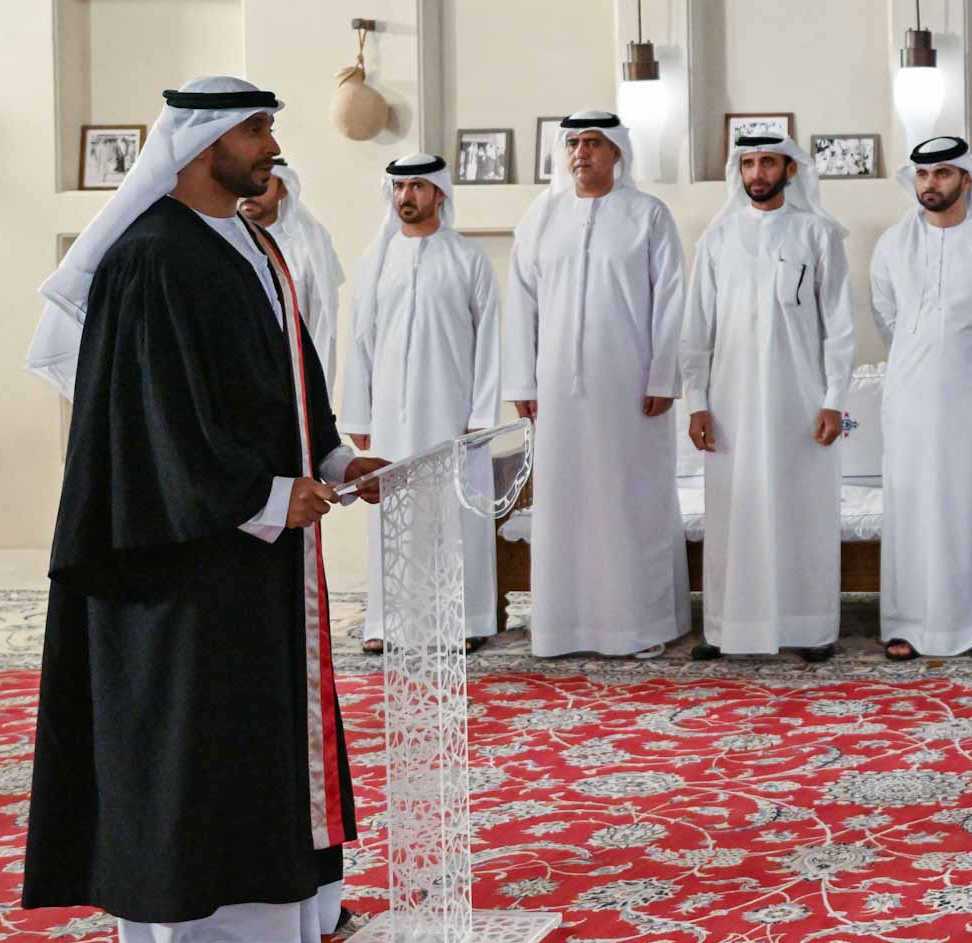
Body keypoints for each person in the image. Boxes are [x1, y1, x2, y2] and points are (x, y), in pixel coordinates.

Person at [21, 77, 387, 943]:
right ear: (202, 145)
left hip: (252, 545)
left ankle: (287, 907)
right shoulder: (151, 258)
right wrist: (263, 493)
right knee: (187, 736)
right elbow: (149, 425)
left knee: (258, 726)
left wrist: (339, 460)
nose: (271, 145)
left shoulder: (250, 243)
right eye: (257, 129)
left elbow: (284, 377)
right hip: (176, 554)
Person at [506, 112, 689, 659]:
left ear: (617, 153)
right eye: (574, 143)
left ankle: (638, 626)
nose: (581, 152)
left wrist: (663, 376)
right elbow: (521, 303)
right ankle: (564, 628)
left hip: (631, 389)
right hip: (558, 390)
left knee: (630, 500)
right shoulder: (541, 217)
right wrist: (523, 376)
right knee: (564, 502)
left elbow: (672, 300)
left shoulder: (648, 216)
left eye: (593, 143)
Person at [679, 134, 857, 662]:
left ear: (790, 170)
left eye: (768, 162)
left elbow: (841, 328)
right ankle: (728, 628)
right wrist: (696, 401)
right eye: (750, 163)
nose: (758, 172)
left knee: (802, 510)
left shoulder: (819, 234)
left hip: (799, 404)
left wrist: (833, 399)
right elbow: (695, 331)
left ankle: (809, 628)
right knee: (735, 511)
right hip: (730, 403)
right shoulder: (717, 238)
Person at [868, 136, 972, 662]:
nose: (930, 184)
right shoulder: (892, 246)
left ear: (966, 179)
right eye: (922, 175)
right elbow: (887, 319)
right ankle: (907, 623)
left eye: (942, 174)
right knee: (911, 505)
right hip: (911, 402)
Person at [341, 154, 501, 654]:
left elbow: (490, 341)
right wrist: (358, 415)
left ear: (439, 194)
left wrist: (481, 418)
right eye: (399, 188)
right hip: (389, 415)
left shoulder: (467, 258)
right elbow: (360, 342)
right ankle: (387, 625)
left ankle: (464, 621)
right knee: (394, 514)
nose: (406, 197)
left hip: (451, 413)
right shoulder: (375, 261)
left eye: (416, 187)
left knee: (452, 515)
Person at [238, 158, 345, 391]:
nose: (250, 193)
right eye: (245, 183)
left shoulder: (308, 249)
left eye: (263, 182)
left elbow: (321, 327)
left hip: (290, 380)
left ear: (283, 189)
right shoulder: (222, 245)